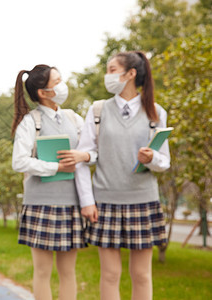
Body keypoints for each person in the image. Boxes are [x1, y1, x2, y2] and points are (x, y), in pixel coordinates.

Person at [78, 51, 170, 300]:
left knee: (141, 275)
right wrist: (87, 201)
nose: (107, 75)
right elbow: (83, 157)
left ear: (130, 74)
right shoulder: (98, 111)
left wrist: (152, 159)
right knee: (109, 274)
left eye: (111, 69)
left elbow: (164, 161)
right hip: (105, 202)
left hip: (143, 200)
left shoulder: (156, 112)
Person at [11, 64, 97, 300]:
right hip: (40, 205)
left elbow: (93, 151)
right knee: (42, 272)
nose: (62, 85)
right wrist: (55, 167)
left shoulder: (73, 117)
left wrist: (84, 156)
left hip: (71, 204)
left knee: (68, 272)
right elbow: (19, 162)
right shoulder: (30, 122)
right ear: (43, 92)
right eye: (57, 81)